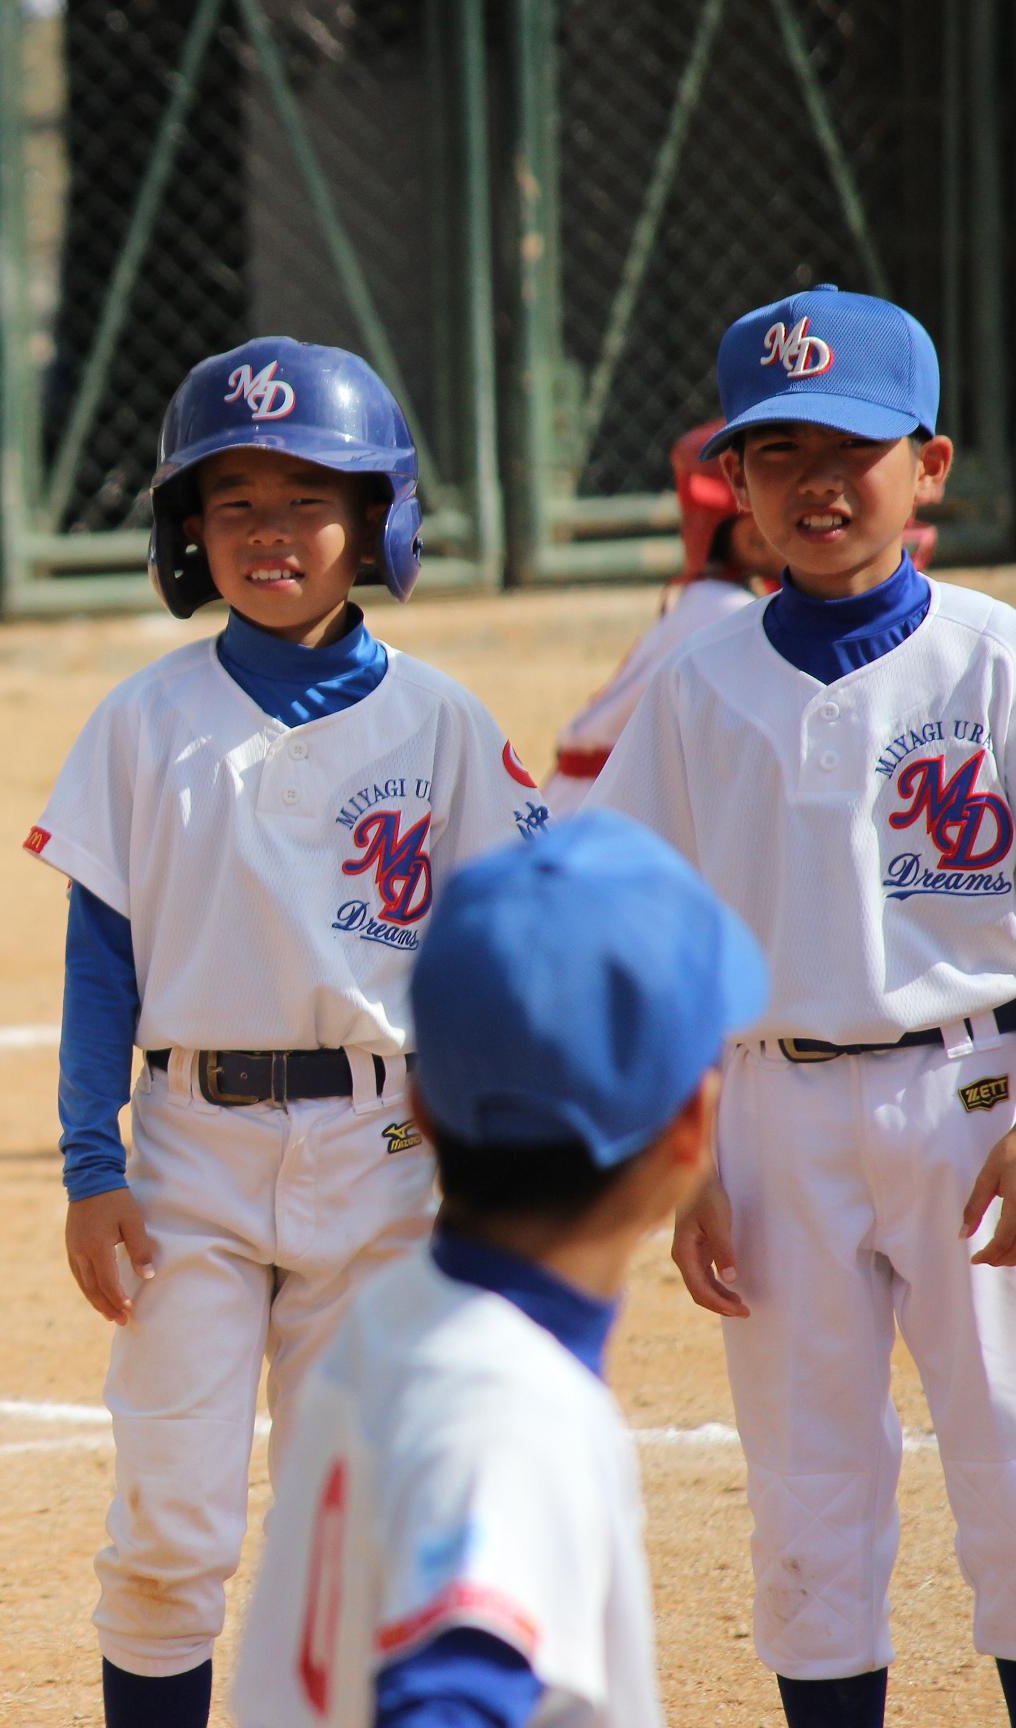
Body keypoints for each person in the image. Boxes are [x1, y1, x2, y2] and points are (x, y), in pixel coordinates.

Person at [26, 336, 550, 1727]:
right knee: (167, 1534)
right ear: (188, 530)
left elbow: (504, 955)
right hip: (189, 1152)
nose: (271, 531)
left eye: (310, 497)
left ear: (377, 517)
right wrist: (91, 1162)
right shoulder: (144, 719)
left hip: (384, 1150)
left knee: (351, 1533)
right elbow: (100, 962)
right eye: (235, 499)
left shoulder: (442, 722)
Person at [588, 284, 1016, 1727]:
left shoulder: (996, 658)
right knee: (808, 1491)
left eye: (853, 449)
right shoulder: (698, 683)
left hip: (981, 1096)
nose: (817, 485)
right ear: (738, 488)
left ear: (931, 465)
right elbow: (647, 938)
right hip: (769, 1109)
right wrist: (690, 1148)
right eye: (778, 456)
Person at [234, 810, 761, 1726]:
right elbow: (445, 1700)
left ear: (422, 1108)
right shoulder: (503, 1408)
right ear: (692, 1129)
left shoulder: (403, 1315)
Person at [539, 420, 941, 819]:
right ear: (744, 528)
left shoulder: (714, 600)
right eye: (781, 451)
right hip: (604, 814)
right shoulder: (723, 613)